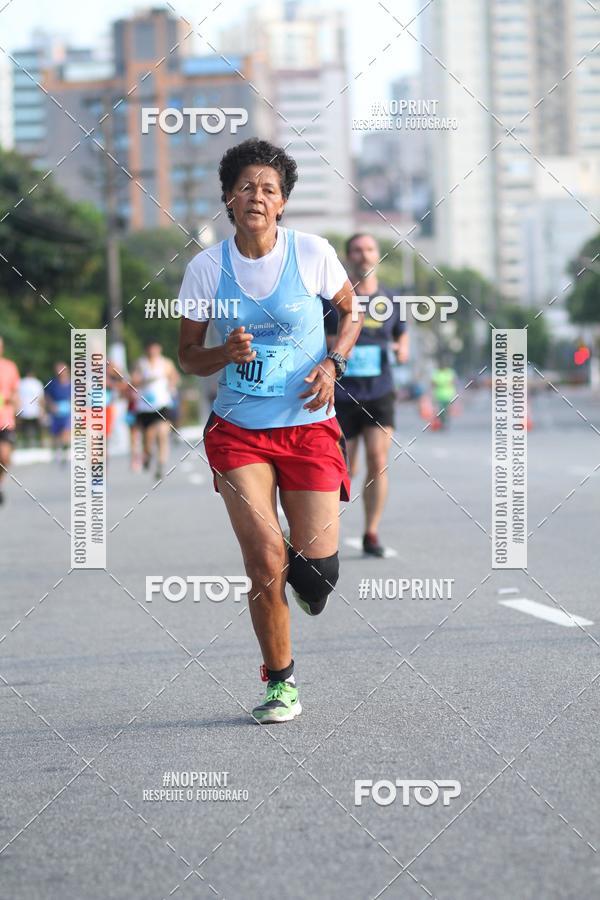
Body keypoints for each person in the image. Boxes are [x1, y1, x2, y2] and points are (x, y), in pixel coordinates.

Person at [177, 137, 362, 724]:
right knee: (263, 561)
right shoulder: (206, 269)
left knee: (317, 574)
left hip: (308, 426)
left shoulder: (311, 252)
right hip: (238, 431)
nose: (257, 196)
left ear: (282, 203)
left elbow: (350, 310)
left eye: (269, 189)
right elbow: (188, 356)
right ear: (229, 199)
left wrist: (334, 362)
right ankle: (280, 682)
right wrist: (223, 353)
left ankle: (306, 573)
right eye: (246, 187)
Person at [322, 233, 409, 557]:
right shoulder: (334, 298)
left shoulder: (391, 299)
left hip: (379, 392)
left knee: (378, 460)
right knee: (345, 467)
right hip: (342, 394)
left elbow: (402, 334)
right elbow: (323, 340)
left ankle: (371, 533)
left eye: (369, 249)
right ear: (348, 257)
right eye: (357, 250)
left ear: (377, 255)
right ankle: (324, 530)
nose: (364, 255)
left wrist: (401, 349)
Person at [131, 338, 180, 480]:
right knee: (148, 438)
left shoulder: (166, 363)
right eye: (150, 349)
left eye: (155, 348)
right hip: (145, 407)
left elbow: (175, 376)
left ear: (159, 349)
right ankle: (148, 454)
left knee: (163, 433)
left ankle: (161, 464)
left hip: (163, 403)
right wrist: (146, 380)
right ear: (147, 350)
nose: (153, 351)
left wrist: (171, 384)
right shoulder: (140, 364)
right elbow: (133, 381)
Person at [0, 336, 21, 505]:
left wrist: (13, 401)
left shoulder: (9, 367)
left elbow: (16, 392)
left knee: (4, 457)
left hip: (5, 420)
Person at [45, 362, 71, 464]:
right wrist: (51, 405)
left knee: (65, 432)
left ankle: (65, 451)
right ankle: (57, 451)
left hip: (68, 412)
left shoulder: (72, 383)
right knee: (56, 434)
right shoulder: (52, 384)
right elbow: (47, 396)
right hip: (56, 412)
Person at [17, 368, 45, 448]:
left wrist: (17, 411)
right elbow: (41, 398)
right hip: (35, 411)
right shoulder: (37, 383)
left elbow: (17, 398)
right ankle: (41, 445)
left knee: (22, 430)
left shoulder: (21, 383)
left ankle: (22, 444)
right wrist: (42, 411)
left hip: (24, 411)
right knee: (39, 430)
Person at [431, 357, 457, 428]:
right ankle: (442, 423)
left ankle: (445, 423)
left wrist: (441, 383)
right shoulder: (436, 372)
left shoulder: (450, 372)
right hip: (439, 395)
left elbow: (453, 381)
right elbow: (433, 383)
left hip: (448, 395)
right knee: (441, 410)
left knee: (447, 410)